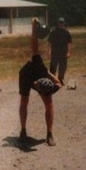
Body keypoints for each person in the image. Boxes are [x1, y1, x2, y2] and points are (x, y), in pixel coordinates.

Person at [19, 19, 62, 147]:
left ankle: (49, 134)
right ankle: (23, 131)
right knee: (24, 100)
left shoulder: (45, 77)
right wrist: (33, 28)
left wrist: (46, 83)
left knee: (49, 103)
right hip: (26, 75)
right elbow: (34, 45)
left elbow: (59, 85)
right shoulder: (38, 64)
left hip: (40, 75)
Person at [47, 17, 72, 84]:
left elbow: (69, 43)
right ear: (57, 23)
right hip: (55, 52)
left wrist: (69, 52)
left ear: (64, 23)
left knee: (63, 67)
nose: (60, 24)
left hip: (63, 52)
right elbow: (49, 42)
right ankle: (52, 80)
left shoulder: (66, 32)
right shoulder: (54, 31)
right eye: (59, 22)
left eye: (62, 23)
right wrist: (49, 51)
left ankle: (60, 79)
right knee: (53, 66)